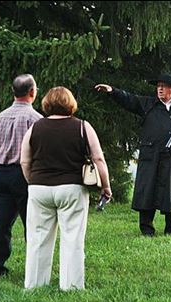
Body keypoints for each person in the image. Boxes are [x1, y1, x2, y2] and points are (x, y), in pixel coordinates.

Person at [20, 86, 112, 290]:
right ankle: (71, 286)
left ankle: (35, 284)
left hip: (39, 188)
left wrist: (32, 182)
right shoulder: (82, 127)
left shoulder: (34, 128)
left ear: (46, 104)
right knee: (72, 238)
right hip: (72, 188)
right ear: (70, 104)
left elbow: (25, 161)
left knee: (38, 238)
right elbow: (98, 158)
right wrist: (105, 186)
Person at [95, 73, 171, 237]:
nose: (160, 89)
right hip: (150, 155)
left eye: (163, 86)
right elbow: (129, 100)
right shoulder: (148, 104)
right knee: (146, 191)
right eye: (158, 86)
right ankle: (146, 229)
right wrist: (112, 91)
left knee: (169, 194)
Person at [0, 74, 42, 281]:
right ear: (32, 92)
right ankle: (34, 264)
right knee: (32, 221)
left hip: (1, 172)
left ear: (13, 92)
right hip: (24, 173)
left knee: (2, 222)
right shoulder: (35, 119)